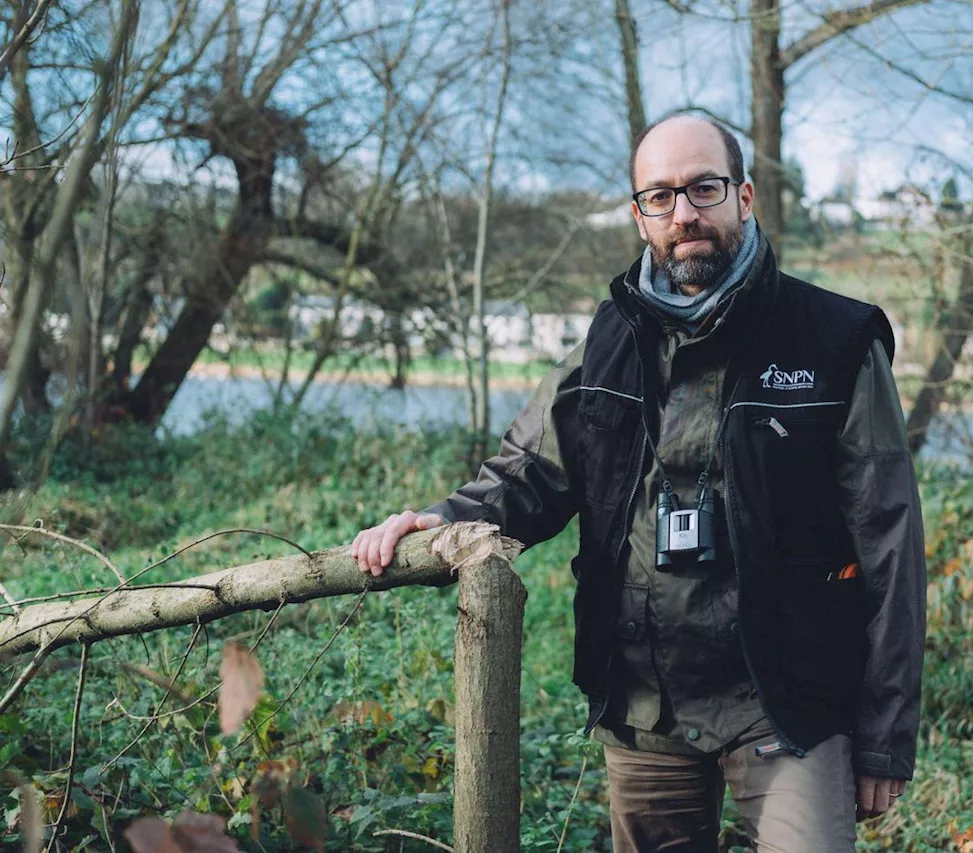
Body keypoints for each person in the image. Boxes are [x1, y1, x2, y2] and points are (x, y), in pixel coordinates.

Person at [352, 112, 927, 852]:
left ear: (744, 197)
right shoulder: (609, 340)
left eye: (703, 188)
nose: (683, 212)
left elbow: (890, 544)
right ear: (639, 214)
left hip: (788, 700)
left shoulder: (835, 339)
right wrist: (436, 519)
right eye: (660, 196)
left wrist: (884, 737)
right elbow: (529, 473)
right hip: (647, 701)